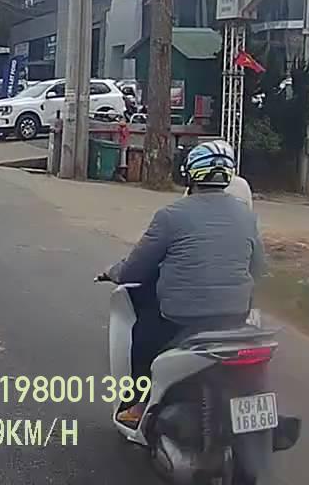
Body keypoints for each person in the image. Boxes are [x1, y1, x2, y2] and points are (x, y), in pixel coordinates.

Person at [103, 139, 266, 427]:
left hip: (182, 317)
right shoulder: (247, 216)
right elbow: (258, 268)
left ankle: (139, 404)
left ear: (190, 174)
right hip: (236, 315)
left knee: (143, 337)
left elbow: (135, 270)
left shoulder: (170, 216)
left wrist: (112, 272)